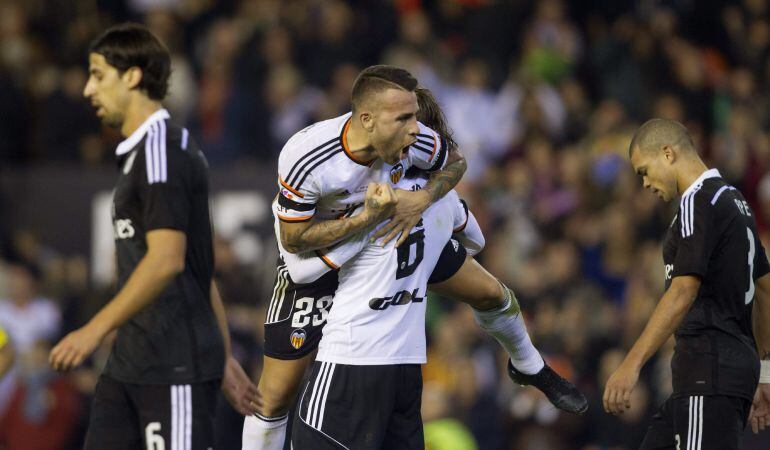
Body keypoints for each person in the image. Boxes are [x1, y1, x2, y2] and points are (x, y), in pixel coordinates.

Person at [242, 75, 586, 449]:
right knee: (275, 394)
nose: (415, 133)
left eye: (415, 120)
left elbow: (457, 168)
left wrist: (423, 203)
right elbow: (295, 248)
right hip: (321, 252)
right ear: (368, 120)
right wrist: (367, 222)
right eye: (403, 121)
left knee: (491, 293)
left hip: (394, 241)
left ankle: (529, 364)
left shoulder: (419, 146)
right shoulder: (309, 155)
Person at [46, 23, 256, 450]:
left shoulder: (162, 149)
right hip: (130, 364)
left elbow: (167, 260)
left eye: (98, 74)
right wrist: (225, 354)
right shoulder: (143, 155)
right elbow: (200, 269)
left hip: (173, 365)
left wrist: (93, 330)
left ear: (133, 76)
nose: (88, 89)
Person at [604, 118, 770, 449]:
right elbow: (766, 289)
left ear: (667, 153)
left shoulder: (697, 201)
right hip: (717, 374)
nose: (645, 184)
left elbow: (683, 291)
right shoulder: (735, 202)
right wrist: (764, 371)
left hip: (707, 373)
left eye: (644, 171)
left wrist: (630, 364)